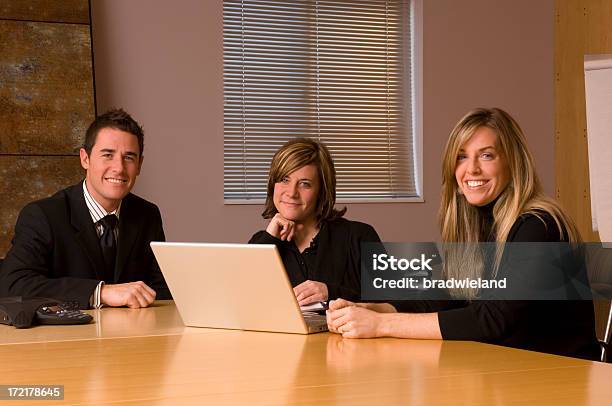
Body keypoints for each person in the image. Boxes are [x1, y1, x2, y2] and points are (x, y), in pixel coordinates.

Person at [327, 107, 600, 360]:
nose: (471, 169)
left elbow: (493, 319)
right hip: (505, 369)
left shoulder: (539, 225)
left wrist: (382, 325)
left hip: (559, 376)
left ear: (513, 163)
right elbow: (446, 296)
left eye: (486, 155)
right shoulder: (481, 223)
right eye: (461, 156)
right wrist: (379, 309)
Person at [0, 109, 170, 309]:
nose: (119, 168)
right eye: (108, 155)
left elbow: (163, 291)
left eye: (129, 157)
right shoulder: (43, 216)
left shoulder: (147, 215)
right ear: (85, 159)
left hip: (131, 336)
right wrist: (100, 292)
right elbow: (12, 285)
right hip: (66, 338)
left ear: (140, 164)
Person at [249, 138, 381, 305]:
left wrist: (330, 292)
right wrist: (269, 241)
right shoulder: (260, 242)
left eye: (305, 184)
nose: (291, 193)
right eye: (284, 179)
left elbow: (410, 303)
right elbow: (238, 304)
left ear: (322, 192)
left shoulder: (359, 236)